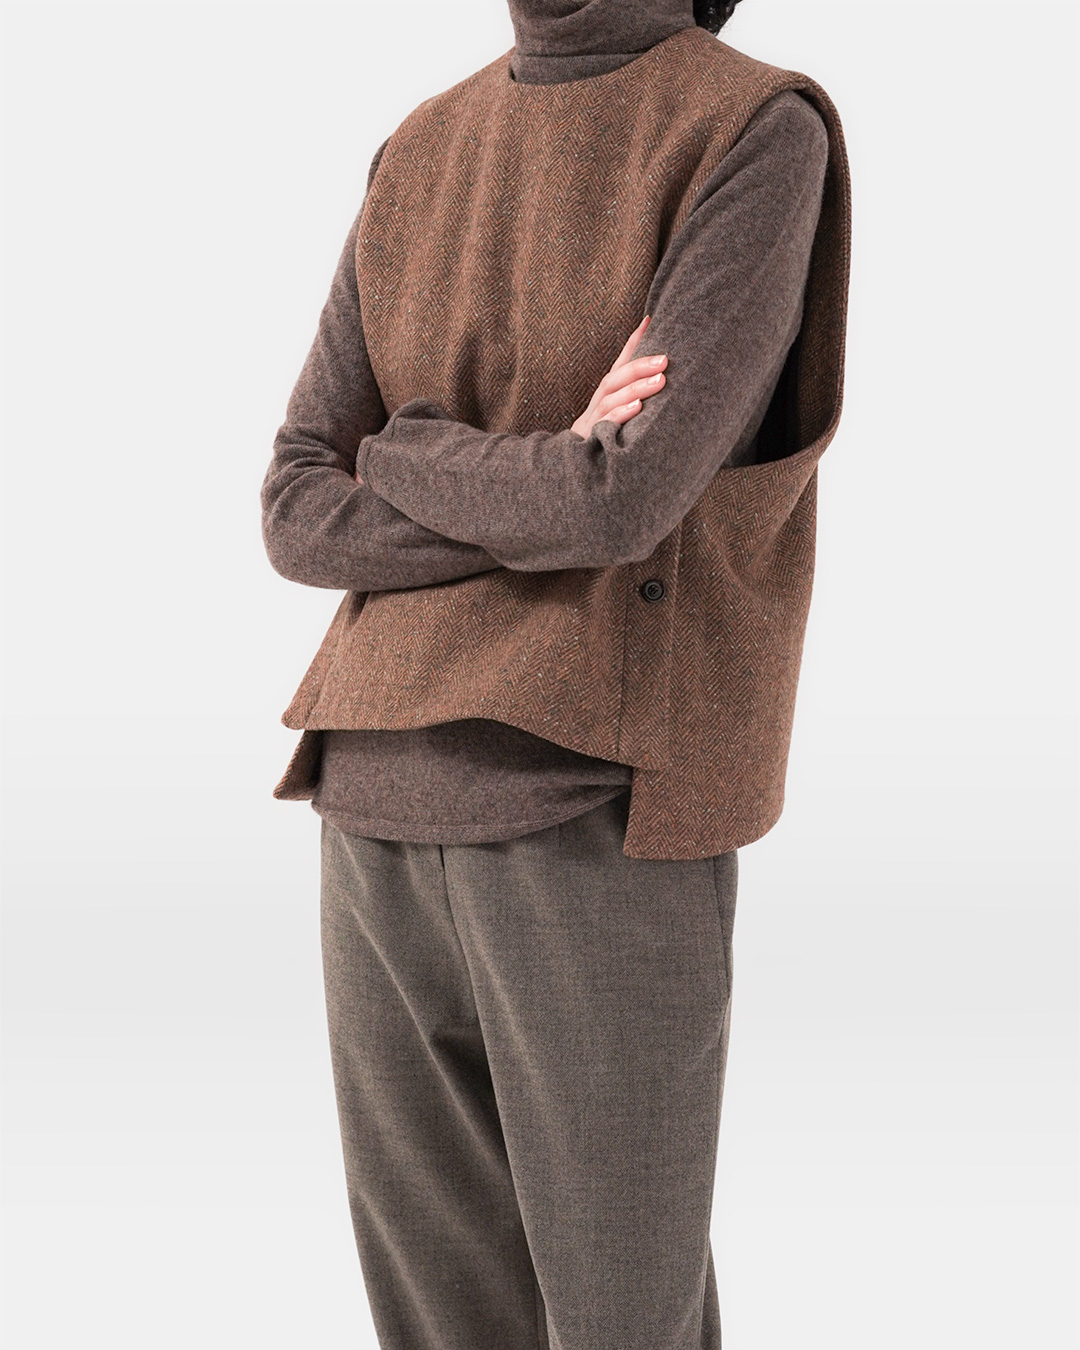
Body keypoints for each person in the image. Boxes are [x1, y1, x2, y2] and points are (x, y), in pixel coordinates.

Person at [260, 0, 851, 1344]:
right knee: (446, 1318)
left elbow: (621, 498)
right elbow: (294, 504)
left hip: (587, 795)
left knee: (617, 1311)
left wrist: (404, 450)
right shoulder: (422, 143)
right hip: (376, 795)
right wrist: (530, 466)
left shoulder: (753, 127)